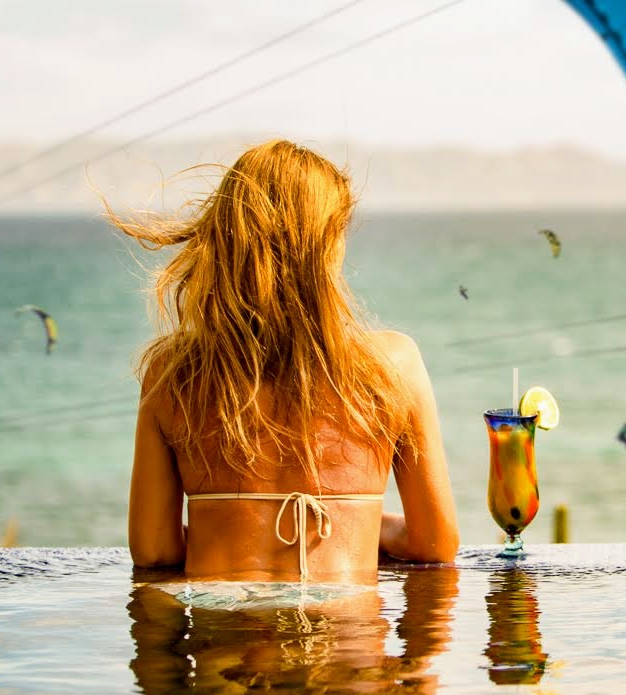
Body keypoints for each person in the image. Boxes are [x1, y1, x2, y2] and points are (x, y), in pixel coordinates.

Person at [112, 139, 459, 582]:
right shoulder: (393, 365)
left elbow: (154, 551)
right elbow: (434, 545)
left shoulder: (174, 373)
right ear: (325, 249)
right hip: (346, 634)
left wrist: (225, 532)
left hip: (226, 632)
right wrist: (369, 525)